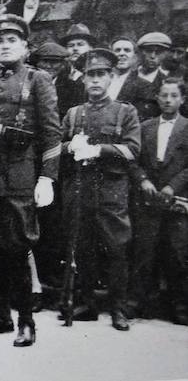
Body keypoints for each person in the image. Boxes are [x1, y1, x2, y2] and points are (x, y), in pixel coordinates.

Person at [0, 15, 61, 348]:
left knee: (17, 248)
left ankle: (26, 321)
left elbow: (51, 132)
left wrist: (47, 177)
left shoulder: (38, 79)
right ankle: (2, 315)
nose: (5, 46)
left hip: (20, 176)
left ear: (25, 46)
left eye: (12, 41)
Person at [60, 48, 140, 332]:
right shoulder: (73, 114)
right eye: (90, 75)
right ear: (83, 80)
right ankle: (86, 304)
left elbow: (132, 150)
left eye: (101, 74)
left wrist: (97, 150)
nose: (95, 80)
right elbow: (58, 147)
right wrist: (71, 147)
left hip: (111, 188)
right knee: (83, 247)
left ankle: (118, 308)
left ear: (110, 77)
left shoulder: (125, 111)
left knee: (117, 248)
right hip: (80, 187)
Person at [129, 77, 188, 325]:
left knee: (177, 252)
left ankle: (181, 306)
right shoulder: (145, 126)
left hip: (176, 198)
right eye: (164, 95)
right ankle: (139, 302)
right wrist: (143, 180)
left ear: (182, 99)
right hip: (148, 198)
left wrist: (172, 186)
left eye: (173, 95)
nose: (167, 100)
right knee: (145, 250)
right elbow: (132, 159)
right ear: (157, 97)